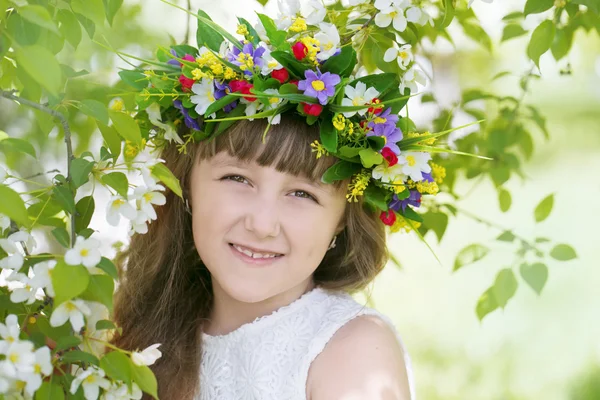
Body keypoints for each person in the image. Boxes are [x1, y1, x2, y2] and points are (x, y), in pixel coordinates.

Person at [112, 112, 415, 400]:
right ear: (186, 185)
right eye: (237, 178)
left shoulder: (354, 353)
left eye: (302, 194)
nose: (261, 225)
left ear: (341, 221)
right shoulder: (137, 324)